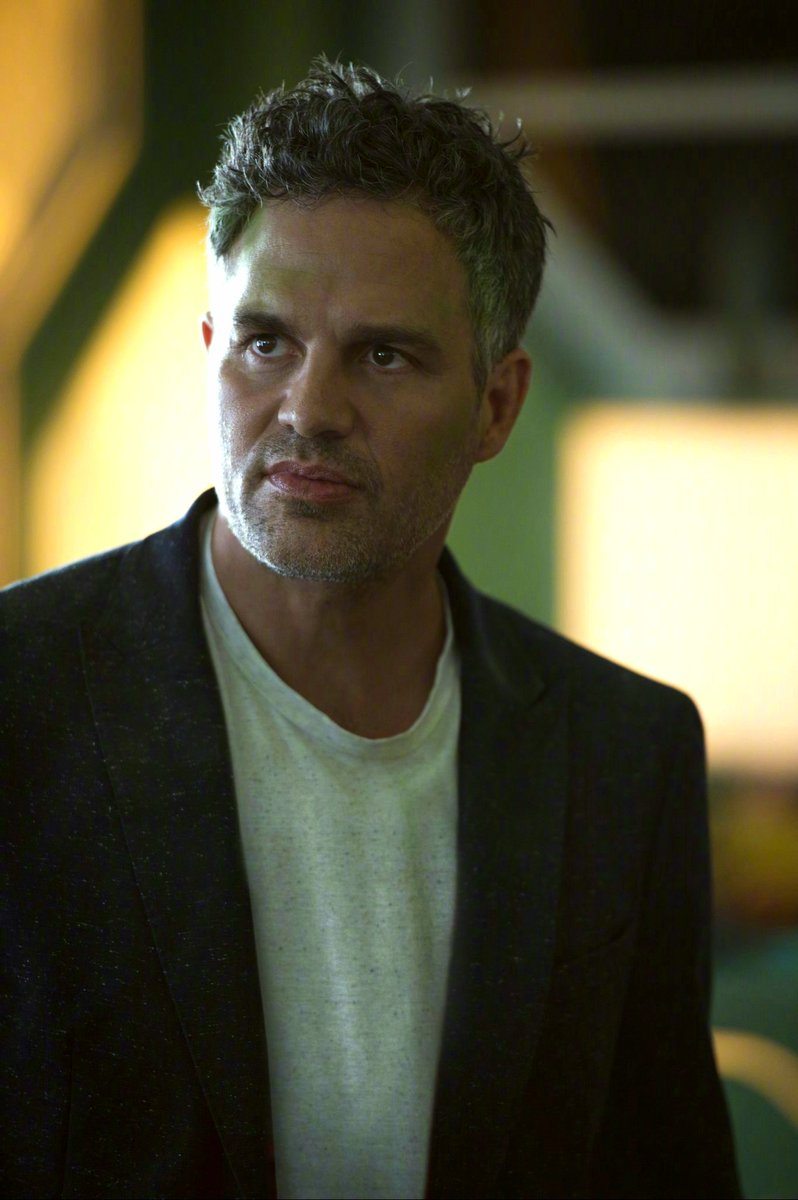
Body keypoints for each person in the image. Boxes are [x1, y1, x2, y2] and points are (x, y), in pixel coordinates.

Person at [1, 57, 739, 1200]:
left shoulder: (622, 756)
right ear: (211, 350)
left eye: (383, 355)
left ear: (496, 405)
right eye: (266, 342)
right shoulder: (23, 696)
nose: (308, 408)